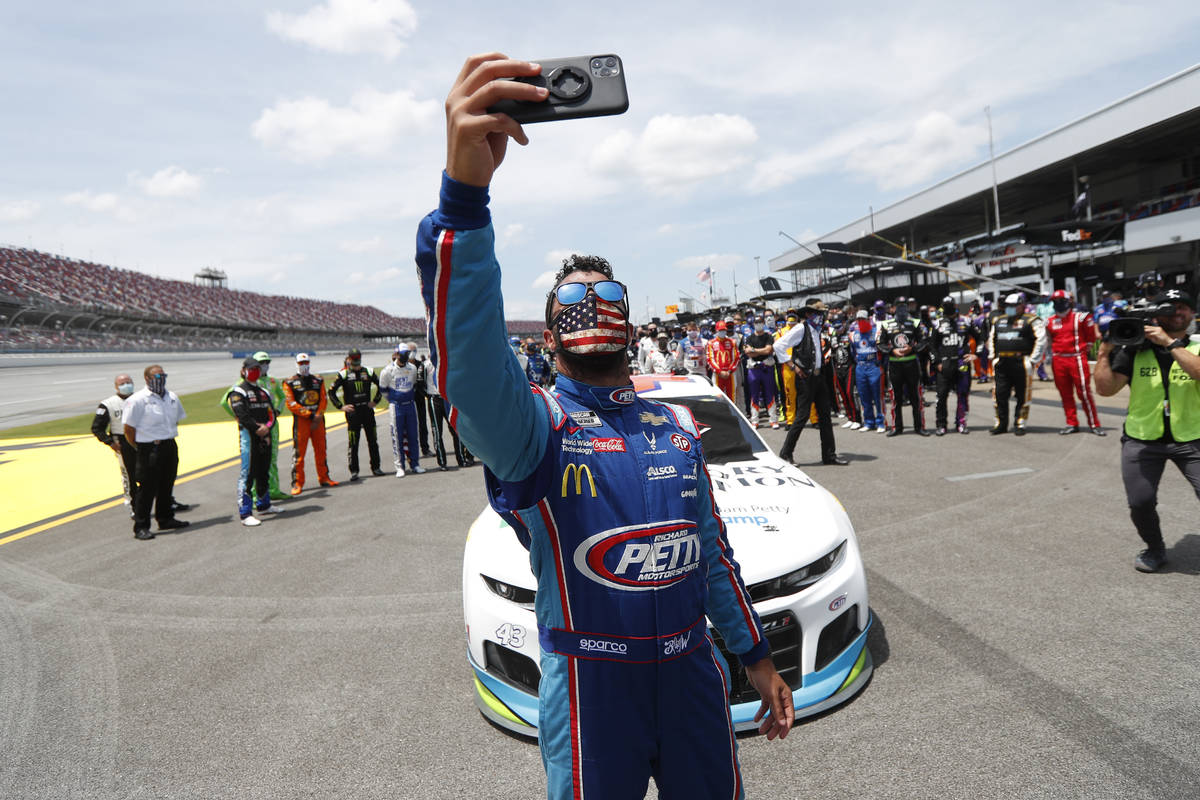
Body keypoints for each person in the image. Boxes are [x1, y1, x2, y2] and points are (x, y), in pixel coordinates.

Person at [420, 54, 793, 800]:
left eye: (607, 295)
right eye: (572, 303)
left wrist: (754, 656)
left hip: (693, 672)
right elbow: (469, 373)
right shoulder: (536, 428)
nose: (592, 304)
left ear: (631, 327)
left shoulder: (679, 428)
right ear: (548, 342)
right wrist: (463, 204)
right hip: (592, 681)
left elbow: (711, 557)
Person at [1093, 289, 1200, 572]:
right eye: (1170, 308)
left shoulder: (1198, 345)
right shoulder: (1134, 348)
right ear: (1156, 315)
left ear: (1192, 314)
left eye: (1184, 307)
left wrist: (1170, 343)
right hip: (1142, 438)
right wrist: (1104, 352)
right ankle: (1155, 549)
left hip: (1192, 437)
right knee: (1140, 502)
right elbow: (1105, 389)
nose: (1177, 312)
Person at [774, 299, 848, 465]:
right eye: (818, 313)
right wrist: (793, 366)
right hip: (805, 378)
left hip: (818, 376)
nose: (821, 316)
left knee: (825, 416)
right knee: (802, 416)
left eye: (822, 314)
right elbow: (778, 345)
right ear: (808, 314)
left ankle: (829, 455)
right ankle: (786, 453)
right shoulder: (801, 328)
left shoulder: (817, 330)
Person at [122, 365, 189, 540]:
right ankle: (141, 526)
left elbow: (176, 420)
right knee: (147, 488)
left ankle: (166, 518)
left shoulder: (172, 397)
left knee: (167, 483)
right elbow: (128, 428)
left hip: (169, 444)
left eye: (163, 375)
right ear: (146, 378)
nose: (161, 379)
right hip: (149, 448)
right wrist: (140, 446)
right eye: (156, 376)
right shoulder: (137, 400)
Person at [220, 351, 289, 502]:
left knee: (270, 460)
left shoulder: (272, 382)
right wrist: (239, 418)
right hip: (251, 430)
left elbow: (282, 398)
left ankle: (272, 491)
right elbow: (225, 402)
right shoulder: (240, 385)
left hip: (270, 427)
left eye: (266, 363)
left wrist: (277, 411)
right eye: (260, 363)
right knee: (251, 467)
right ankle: (251, 499)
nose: (263, 366)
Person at [226, 357, 283, 527]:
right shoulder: (238, 391)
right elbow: (241, 415)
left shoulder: (263, 391)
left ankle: (264, 504)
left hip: (265, 436)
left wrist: (267, 427)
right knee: (248, 473)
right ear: (243, 370)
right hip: (249, 437)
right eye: (252, 369)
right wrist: (257, 429)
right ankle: (245, 513)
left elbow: (272, 413)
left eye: (258, 369)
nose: (255, 372)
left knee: (263, 471)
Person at [1046, 290, 1104, 435]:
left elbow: (1091, 339)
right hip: (1058, 359)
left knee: (1084, 392)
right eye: (1055, 301)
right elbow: (1048, 341)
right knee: (1065, 394)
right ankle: (1071, 423)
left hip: (1076, 358)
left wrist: (1082, 350)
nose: (1058, 304)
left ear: (1069, 302)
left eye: (1061, 300)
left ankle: (1094, 424)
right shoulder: (1050, 321)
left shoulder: (1081, 318)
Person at [988, 292, 1047, 435]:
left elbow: (1041, 340)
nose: (1010, 308)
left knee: (1023, 395)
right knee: (999, 394)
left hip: (1022, 362)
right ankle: (1001, 424)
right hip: (1002, 363)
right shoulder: (998, 320)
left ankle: (1020, 423)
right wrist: (993, 357)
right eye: (1008, 305)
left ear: (1022, 305)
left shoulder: (1032, 320)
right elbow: (992, 339)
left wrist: (1033, 360)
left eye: (1014, 305)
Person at [282, 353, 337, 494]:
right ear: (296, 364)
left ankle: (324, 478)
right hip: (302, 422)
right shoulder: (289, 382)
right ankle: (297, 483)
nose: (304, 365)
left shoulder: (318, 380)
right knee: (299, 454)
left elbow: (324, 399)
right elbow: (290, 403)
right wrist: (309, 415)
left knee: (321, 450)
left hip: (318, 420)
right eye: (301, 363)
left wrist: (318, 415)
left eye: (306, 362)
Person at [329, 348, 384, 480]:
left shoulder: (369, 372)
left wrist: (375, 401)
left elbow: (382, 386)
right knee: (353, 442)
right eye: (353, 358)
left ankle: (376, 467)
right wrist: (341, 406)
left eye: (357, 357)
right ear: (349, 359)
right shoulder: (343, 374)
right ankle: (354, 471)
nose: (355, 360)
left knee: (373, 440)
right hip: (353, 413)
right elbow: (331, 391)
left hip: (367, 410)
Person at [878, 299, 930, 436]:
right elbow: (880, 343)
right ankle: (897, 427)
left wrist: (912, 349)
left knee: (916, 397)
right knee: (896, 398)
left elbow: (924, 341)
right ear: (893, 308)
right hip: (895, 365)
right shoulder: (885, 324)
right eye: (899, 306)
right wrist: (891, 351)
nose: (902, 309)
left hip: (911, 364)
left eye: (904, 306)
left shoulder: (915, 322)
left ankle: (919, 427)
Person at [930, 297, 982, 435]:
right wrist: (937, 363)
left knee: (963, 394)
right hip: (944, 364)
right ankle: (941, 425)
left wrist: (976, 354)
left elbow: (980, 337)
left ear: (955, 305)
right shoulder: (937, 323)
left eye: (950, 305)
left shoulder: (966, 321)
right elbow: (932, 346)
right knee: (941, 396)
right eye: (945, 305)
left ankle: (961, 423)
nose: (948, 308)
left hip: (961, 363)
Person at [379, 344, 427, 477]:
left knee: (413, 435)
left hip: (410, 405)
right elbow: (383, 390)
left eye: (408, 353)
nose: (407, 356)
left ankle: (415, 464)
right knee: (397, 436)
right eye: (404, 353)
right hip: (396, 406)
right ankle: (400, 466)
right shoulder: (387, 371)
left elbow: (414, 385)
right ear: (397, 354)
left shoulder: (412, 368)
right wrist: (393, 400)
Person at [849, 310, 885, 432]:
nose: (860, 321)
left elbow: (882, 350)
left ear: (868, 319)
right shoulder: (853, 334)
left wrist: (880, 365)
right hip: (860, 367)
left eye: (862, 319)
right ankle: (869, 422)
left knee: (877, 395)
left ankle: (881, 422)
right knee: (864, 395)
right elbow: (853, 352)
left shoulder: (876, 332)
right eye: (858, 319)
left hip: (873, 366)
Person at [743, 316, 780, 429]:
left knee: (770, 393)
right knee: (754, 395)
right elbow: (748, 353)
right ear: (753, 324)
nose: (758, 324)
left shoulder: (768, 336)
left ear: (763, 323)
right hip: (754, 370)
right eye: (756, 322)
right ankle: (755, 421)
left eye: (760, 322)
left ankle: (773, 420)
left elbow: (769, 350)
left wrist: (754, 350)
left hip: (767, 368)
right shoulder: (749, 338)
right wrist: (760, 351)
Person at [706, 320, 740, 401]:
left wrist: (729, 371)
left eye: (724, 330)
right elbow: (710, 359)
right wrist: (719, 371)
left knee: (732, 396)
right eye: (720, 330)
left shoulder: (732, 342)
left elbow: (736, 358)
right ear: (717, 330)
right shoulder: (711, 343)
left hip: (730, 374)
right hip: (717, 374)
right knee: (717, 397)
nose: (722, 332)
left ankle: (732, 413)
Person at [413, 351, 434, 456]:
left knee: (422, 424)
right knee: (410, 426)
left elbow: (422, 382)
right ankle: (411, 452)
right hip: (408, 401)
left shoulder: (420, 364)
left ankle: (425, 448)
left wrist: (426, 394)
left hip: (420, 398)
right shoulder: (402, 366)